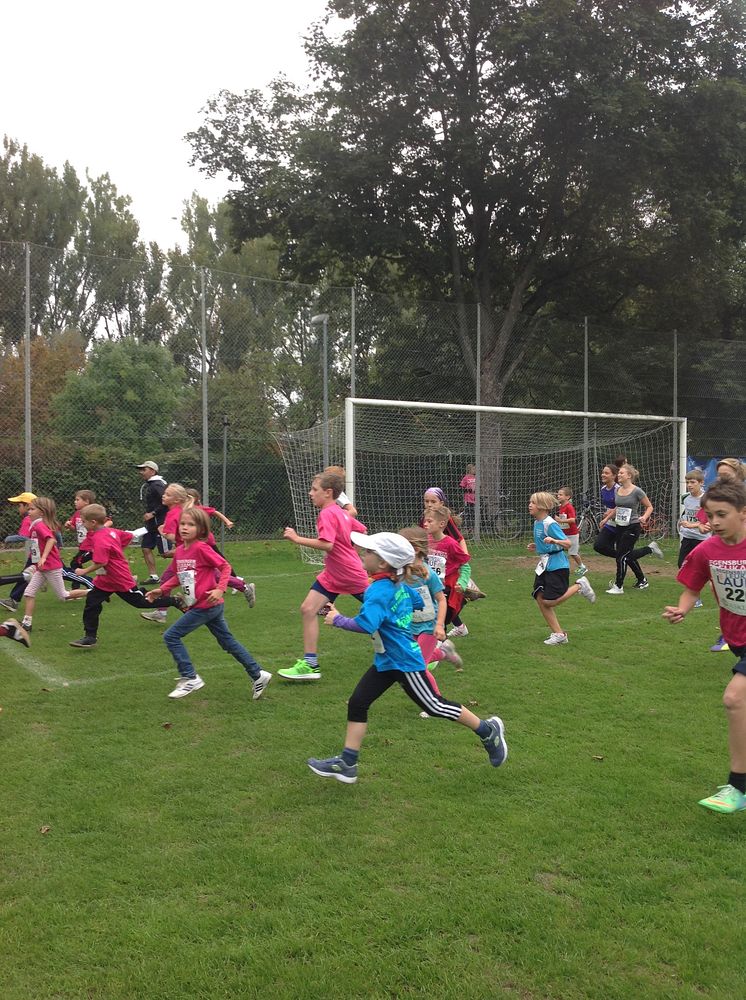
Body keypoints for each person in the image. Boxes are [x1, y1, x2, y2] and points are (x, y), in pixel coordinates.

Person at [306, 530, 508, 784]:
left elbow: (367, 624)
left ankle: (488, 730)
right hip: (387, 660)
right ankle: (348, 763)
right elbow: (415, 601)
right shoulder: (391, 584)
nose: (362, 554)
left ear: (383, 562)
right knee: (358, 702)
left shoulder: (381, 589)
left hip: (403, 662)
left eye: (368, 552)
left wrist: (337, 619)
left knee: (434, 705)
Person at [663, 478, 746, 813]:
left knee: (734, 698)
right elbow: (692, 587)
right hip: (738, 639)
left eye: (722, 514)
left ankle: (738, 788)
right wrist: (683, 608)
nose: (714, 522)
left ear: (743, 513)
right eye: (710, 515)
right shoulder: (707, 550)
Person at [145, 508, 271, 700]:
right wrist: (161, 590)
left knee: (171, 636)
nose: (185, 528)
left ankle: (190, 677)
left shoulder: (201, 548)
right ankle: (258, 674)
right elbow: (179, 577)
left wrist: (220, 588)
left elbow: (225, 567)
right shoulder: (180, 552)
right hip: (207, 606)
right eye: (183, 524)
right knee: (227, 642)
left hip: (207, 605)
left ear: (202, 529)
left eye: (191, 525)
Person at [279, 469, 369, 681]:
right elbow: (362, 530)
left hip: (349, 574)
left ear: (328, 492)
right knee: (308, 609)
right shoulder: (340, 512)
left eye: (314, 489)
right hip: (335, 574)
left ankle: (422, 644)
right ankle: (310, 665)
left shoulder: (328, 513)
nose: (310, 493)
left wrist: (296, 539)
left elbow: (327, 544)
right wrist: (350, 553)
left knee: (385, 611)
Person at [67, 504, 183, 649]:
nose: (82, 524)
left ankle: (174, 601)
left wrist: (84, 571)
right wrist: (116, 551)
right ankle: (90, 637)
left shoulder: (100, 539)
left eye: (83, 521)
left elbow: (101, 562)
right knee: (92, 603)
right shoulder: (111, 532)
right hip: (105, 579)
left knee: (139, 602)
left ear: (93, 522)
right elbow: (127, 537)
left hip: (119, 578)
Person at [527, 491, 595, 645]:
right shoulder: (537, 522)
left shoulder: (550, 524)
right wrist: (537, 545)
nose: (530, 505)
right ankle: (559, 635)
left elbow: (568, 543)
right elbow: (545, 542)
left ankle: (580, 585)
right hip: (544, 566)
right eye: (530, 502)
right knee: (540, 598)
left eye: (533, 503)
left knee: (550, 602)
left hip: (557, 566)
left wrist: (554, 541)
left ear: (543, 506)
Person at [399, 525, 463, 675]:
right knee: (409, 659)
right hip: (409, 624)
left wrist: (439, 625)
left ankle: (434, 694)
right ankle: (444, 653)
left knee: (418, 665)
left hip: (429, 626)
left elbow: (441, 600)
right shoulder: (399, 572)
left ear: (415, 549)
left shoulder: (428, 574)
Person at [599, 464, 663, 594]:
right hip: (620, 526)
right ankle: (650, 549)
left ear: (629, 475)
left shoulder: (637, 491)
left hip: (633, 526)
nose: (619, 475)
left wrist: (644, 517)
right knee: (624, 556)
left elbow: (649, 506)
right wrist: (606, 519)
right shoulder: (618, 490)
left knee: (621, 556)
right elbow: (618, 507)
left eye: (621, 473)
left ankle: (618, 586)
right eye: (619, 473)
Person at [20, 497, 75, 633]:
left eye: (32, 509)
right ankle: (27, 623)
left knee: (63, 595)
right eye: (29, 509)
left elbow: (51, 540)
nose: (29, 512)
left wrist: (43, 557)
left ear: (42, 512)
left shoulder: (40, 525)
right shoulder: (35, 524)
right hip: (42, 568)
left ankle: (93, 592)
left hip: (51, 566)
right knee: (29, 592)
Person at [708, 458, 746, 652]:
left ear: (738, 476)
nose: (720, 479)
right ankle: (729, 631)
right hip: (723, 550)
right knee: (720, 588)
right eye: (719, 475)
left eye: (725, 475)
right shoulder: (716, 495)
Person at [421, 504, 471, 631]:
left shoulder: (451, 544)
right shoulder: (425, 541)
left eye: (429, 521)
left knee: (440, 621)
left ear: (441, 524)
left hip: (446, 588)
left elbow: (465, 566)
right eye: (425, 521)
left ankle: (441, 641)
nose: (425, 524)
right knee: (428, 620)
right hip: (429, 586)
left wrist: (462, 582)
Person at [0, 491, 37, 613]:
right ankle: (13, 600)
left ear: (27, 506)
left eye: (20, 505)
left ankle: (88, 585)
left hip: (41, 554)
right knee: (26, 576)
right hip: (37, 553)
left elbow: (23, 536)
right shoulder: (40, 518)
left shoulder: (28, 519)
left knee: (64, 573)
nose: (18, 508)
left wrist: (7, 539)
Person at [678, 469, 710, 608]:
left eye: (692, 482)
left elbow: (708, 519)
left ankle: (696, 597)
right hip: (687, 536)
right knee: (682, 564)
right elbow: (687, 513)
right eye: (687, 482)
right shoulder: (685, 497)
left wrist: (694, 525)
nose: (689, 485)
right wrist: (683, 522)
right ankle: (694, 595)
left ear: (701, 483)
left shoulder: (706, 499)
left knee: (700, 569)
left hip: (701, 539)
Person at [136, 461, 168, 583]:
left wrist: (153, 513)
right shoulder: (151, 484)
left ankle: (193, 556)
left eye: (144, 470)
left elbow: (165, 502)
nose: (141, 472)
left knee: (165, 553)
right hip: (151, 524)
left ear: (153, 471)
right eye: (141, 470)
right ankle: (153, 577)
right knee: (146, 548)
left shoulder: (157, 485)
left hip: (160, 523)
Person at [556, 485, 587, 577]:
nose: (558, 496)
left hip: (572, 534)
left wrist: (561, 521)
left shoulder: (569, 507)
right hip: (563, 533)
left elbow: (573, 520)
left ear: (567, 497)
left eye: (561, 495)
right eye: (558, 494)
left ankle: (582, 566)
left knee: (573, 553)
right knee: (558, 549)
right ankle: (560, 566)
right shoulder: (560, 507)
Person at [592, 464, 620, 563]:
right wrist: (607, 514)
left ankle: (649, 549)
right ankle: (623, 556)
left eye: (606, 473)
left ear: (614, 476)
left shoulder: (618, 489)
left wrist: (608, 515)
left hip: (621, 523)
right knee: (598, 546)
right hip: (611, 523)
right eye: (603, 472)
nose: (603, 475)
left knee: (624, 552)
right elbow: (609, 506)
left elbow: (621, 506)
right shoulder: (603, 489)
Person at [459, 464, 477, 533]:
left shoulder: (475, 478)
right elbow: (461, 487)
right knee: (468, 513)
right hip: (468, 498)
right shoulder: (466, 478)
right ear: (469, 470)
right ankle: (468, 527)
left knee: (473, 513)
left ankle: (473, 527)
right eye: (473, 469)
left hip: (475, 498)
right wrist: (468, 490)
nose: (474, 470)